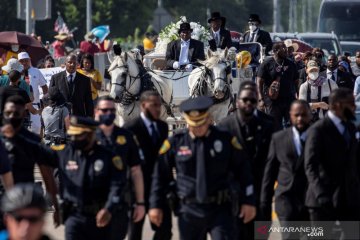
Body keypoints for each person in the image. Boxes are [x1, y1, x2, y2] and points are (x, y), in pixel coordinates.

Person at [148, 96, 256, 240]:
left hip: (221, 209)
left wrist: (248, 200)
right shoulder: (176, 142)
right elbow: (159, 176)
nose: (198, 128)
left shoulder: (225, 140)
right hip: (188, 210)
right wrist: (155, 205)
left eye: (201, 123)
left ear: (208, 118)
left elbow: (244, 170)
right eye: (193, 124)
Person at [218, 81, 274, 239]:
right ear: (238, 101)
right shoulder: (224, 127)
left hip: (262, 194)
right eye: (245, 100)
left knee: (261, 235)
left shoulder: (269, 124)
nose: (249, 103)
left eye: (253, 100)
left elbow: (274, 159)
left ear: (258, 100)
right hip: (232, 196)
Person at [54, 116, 125, 240]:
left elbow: (117, 185)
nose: (74, 139)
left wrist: (108, 209)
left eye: (79, 136)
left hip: (100, 217)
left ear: (91, 135)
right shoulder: (66, 153)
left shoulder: (108, 157)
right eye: (72, 136)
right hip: (73, 217)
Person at [305, 88, 360, 237]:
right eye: (350, 104)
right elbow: (310, 166)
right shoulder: (318, 130)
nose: (354, 107)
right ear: (335, 106)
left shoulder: (350, 128)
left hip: (348, 199)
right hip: (322, 201)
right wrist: (321, 194)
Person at [0, 96, 59, 223]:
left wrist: (56, 207)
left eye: (16, 113)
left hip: (24, 201)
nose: (11, 116)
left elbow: (47, 175)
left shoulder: (33, 141)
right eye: (8, 113)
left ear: (24, 114)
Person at [94, 96, 145, 240]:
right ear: (96, 111)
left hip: (119, 203)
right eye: (104, 110)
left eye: (112, 110)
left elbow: (136, 171)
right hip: (92, 203)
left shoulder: (126, 136)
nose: (109, 113)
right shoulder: (87, 135)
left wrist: (140, 203)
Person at [123, 91, 172, 240]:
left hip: (158, 188)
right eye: (154, 105)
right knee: (135, 232)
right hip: (136, 189)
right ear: (143, 106)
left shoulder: (163, 127)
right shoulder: (130, 128)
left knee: (165, 230)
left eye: (160, 105)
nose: (158, 109)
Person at [261, 100, 312, 239]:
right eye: (296, 115)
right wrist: (264, 204)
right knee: (290, 236)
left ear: (310, 115)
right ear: (290, 116)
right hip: (286, 200)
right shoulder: (279, 138)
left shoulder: (318, 137)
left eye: (303, 114)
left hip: (311, 201)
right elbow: (269, 175)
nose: (300, 118)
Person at [257, 42, 299, 130]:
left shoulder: (291, 64)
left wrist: (298, 95)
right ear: (275, 51)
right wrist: (261, 99)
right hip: (272, 101)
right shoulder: (266, 63)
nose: (286, 49)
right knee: (274, 127)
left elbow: (296, 81)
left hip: (289, 99)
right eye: (283, 48)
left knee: (291, 126)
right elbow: (259, 82)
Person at [18, 52, 48, 135]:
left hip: (35, 105)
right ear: (18, 62)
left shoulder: (36, 71)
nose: (24, 63)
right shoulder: (16, 73)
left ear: (30, 60)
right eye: (21, 61)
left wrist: (45, 103)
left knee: (37, 131)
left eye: (26, 60)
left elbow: (44, 87)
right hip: (20, 107)